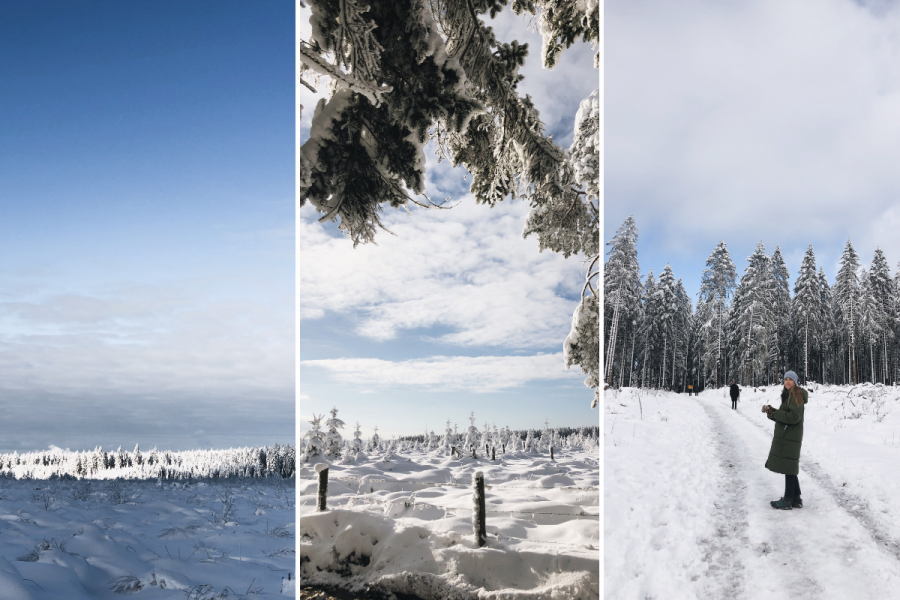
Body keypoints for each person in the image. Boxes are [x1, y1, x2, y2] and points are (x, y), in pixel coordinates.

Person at [762, 370, 808, 509]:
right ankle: (795, 497)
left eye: (790, 379)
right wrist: (772, 413)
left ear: (795, 381)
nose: (787, 381)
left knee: (789, 467)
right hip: (789, 435)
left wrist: (776, 412)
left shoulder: (796, 395)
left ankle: (788, 500)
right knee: (790, 466)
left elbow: (794, 417)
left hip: (791, 436)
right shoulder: (789, 395)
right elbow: (786, 415)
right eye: (785, 379)